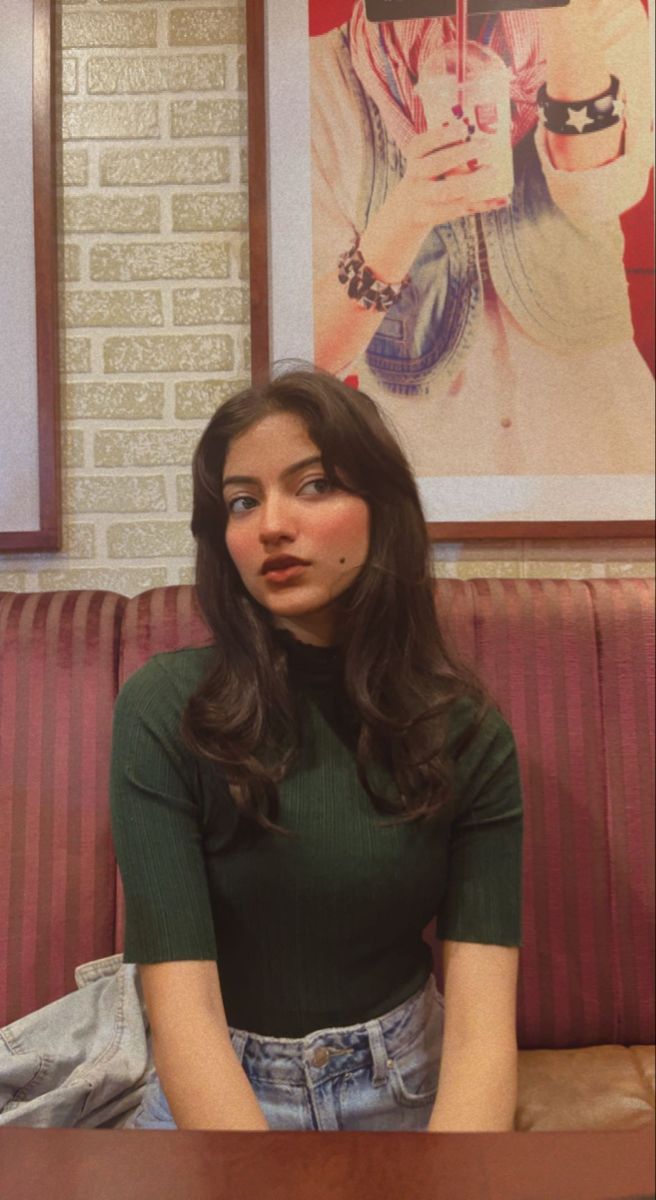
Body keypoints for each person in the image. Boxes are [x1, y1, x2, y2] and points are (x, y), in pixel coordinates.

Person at [110, 367, 523, 1133]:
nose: (270, 524)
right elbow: (183, 1011)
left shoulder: (467, 731)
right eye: (242, 501)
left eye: (314, 485)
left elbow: (481, 1024)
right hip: (216, 1086)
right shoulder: (165, 711)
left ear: (382, 509)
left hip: (408, 1082)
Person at [310, 0, 654, 479]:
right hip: (422, 464)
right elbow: (315, 352)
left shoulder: (604, 17)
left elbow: (601, 193)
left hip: (596, 437)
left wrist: (564, 12)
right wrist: (405, 219)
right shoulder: (321, 75)